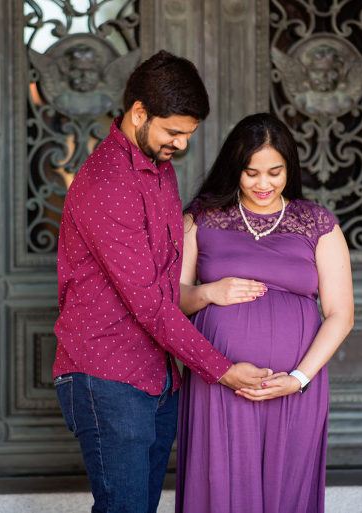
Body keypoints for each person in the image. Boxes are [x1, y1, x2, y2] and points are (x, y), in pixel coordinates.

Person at [52, 51, 276, 513]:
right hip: (106, 376)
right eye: (173, 132)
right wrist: (222, 369)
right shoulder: (106, 183)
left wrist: (210, 293)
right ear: (139, 113)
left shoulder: (161, 171)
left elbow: (168, 278)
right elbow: (151, 304)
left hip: (156, 379)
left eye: (188, 135)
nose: (181, 144)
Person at [175, 113, 354, 513]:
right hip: (219, 382)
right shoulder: (200, 218)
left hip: (293, 387)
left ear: (288, 169)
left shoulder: (317, 223)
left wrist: (299, 379)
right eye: (251, 172)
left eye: (274, 172)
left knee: (286, 490)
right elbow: (174, 303)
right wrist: (209, 292)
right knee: (220, 489)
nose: (263, 184)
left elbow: (341, 313)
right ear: (234, 169)